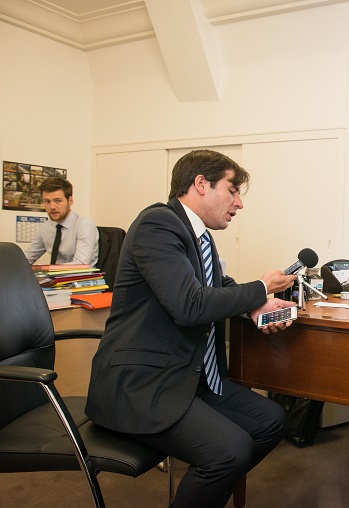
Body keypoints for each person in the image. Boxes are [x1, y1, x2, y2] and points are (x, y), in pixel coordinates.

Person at [85, 150, 297, 508]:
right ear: (201, 184)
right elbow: (190, 304)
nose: (239, 203)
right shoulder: (157, 225)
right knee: (229, 452)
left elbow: (220, 285)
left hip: (189, 375)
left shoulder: (200, 237)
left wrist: (256, 307)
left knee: (271, 420)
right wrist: (261, 288)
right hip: (141, 385)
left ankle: (205, 490)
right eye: (233, 191)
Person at [24, 176, 99, 266]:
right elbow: (28, 257)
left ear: (70, 201)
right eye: (47, 201)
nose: (52, 207)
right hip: (54, 278)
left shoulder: (84, 226)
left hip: (81, 278)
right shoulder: (45, 227)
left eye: (57, 201)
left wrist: (47, 270)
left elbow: (80, 264)